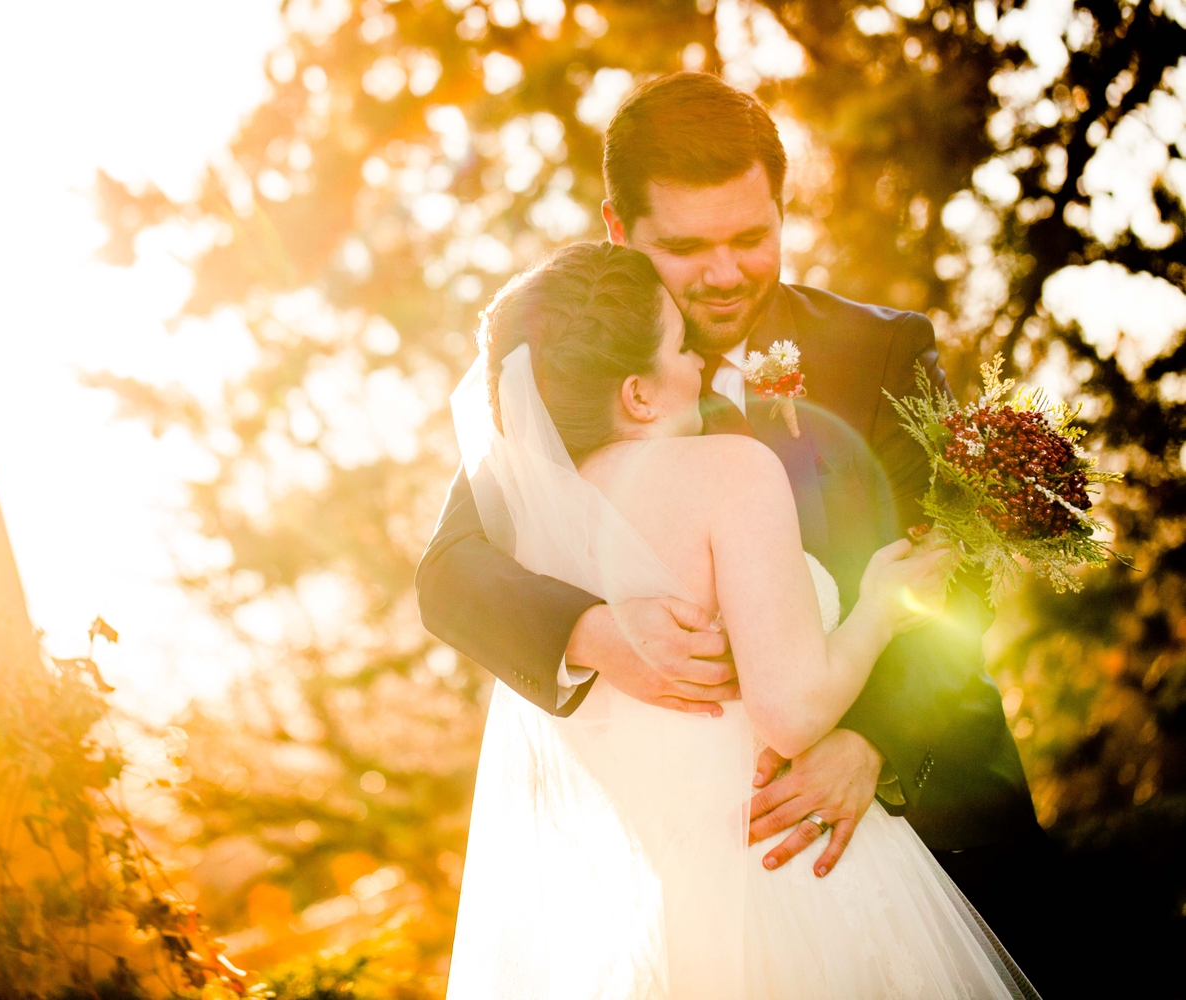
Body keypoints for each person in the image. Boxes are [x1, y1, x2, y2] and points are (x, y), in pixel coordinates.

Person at [416, 72, 1055, 987]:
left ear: (782, 211)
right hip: (715, 887)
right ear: (617, 229)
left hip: (938, 822)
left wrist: (868, 739)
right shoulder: (571, 380)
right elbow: (450, 574)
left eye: (752, 237)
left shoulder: (882, 348)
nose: (724, 272)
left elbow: (956, 567)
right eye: (684, 245)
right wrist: (593, 632)